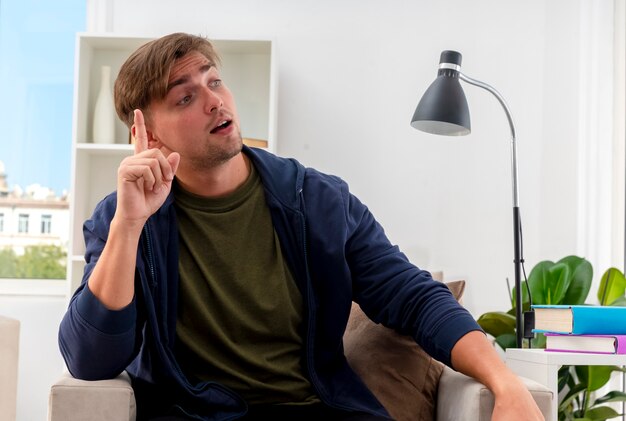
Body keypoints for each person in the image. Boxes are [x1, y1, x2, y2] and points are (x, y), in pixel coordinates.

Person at [58, 32, 544, 421]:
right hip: (196, 413)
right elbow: (91, 359)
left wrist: (505, 383)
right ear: (148, 135)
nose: (213, 101)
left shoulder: (317, 199)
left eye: (214, 81)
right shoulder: (121, 219)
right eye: (185, 98)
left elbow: (414, 297)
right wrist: (129, 226)